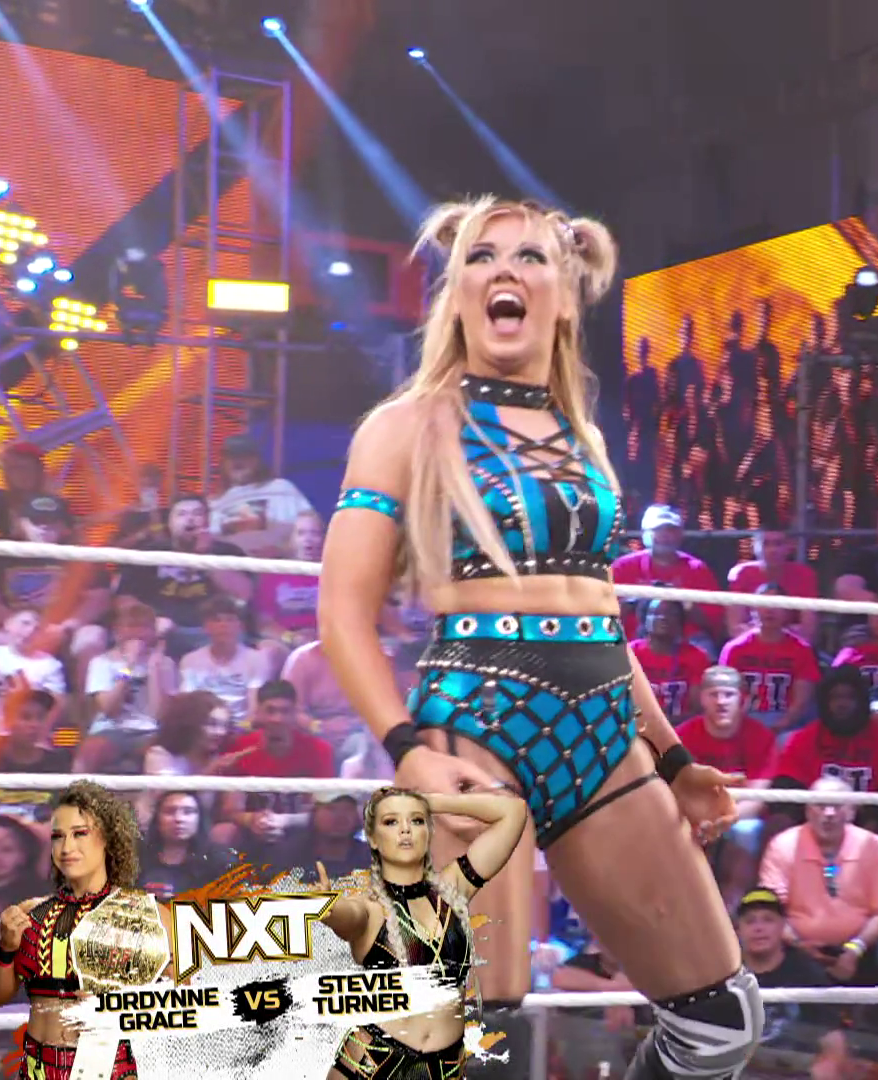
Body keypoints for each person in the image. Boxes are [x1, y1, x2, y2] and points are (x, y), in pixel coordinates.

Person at [320, 196, 762, 1080]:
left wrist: (675, 759)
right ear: (458, 292)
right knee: (472, 1035)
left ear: (564, 295)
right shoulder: (406, 426)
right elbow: (340, 611)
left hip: (602, 736)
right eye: (484, 257)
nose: (506, 272)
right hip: (477, 729)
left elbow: (602, 617)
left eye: (530, 257)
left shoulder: (581, 434)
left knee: (721, 1022)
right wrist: (406, 749)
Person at [317, 786, 527, 1079]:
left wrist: (434, 802)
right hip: (374, 1062)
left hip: (444, 1066)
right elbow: (348, 917)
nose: (405, 829)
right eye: (391, 821)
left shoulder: (452, 889)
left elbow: (513, 812)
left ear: (428, 830)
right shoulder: (371, 908)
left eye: (416, 820)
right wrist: (329, 909)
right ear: (373, 839)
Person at [0, 781, 173, 1080]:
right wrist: (5, 950)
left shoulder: (148, 916)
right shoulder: (32, 913)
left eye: (80, 834)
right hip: (38, 1070)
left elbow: (189, 1002)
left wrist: (121, 998)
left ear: (107, 838)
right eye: (58, 836)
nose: (67, 847)